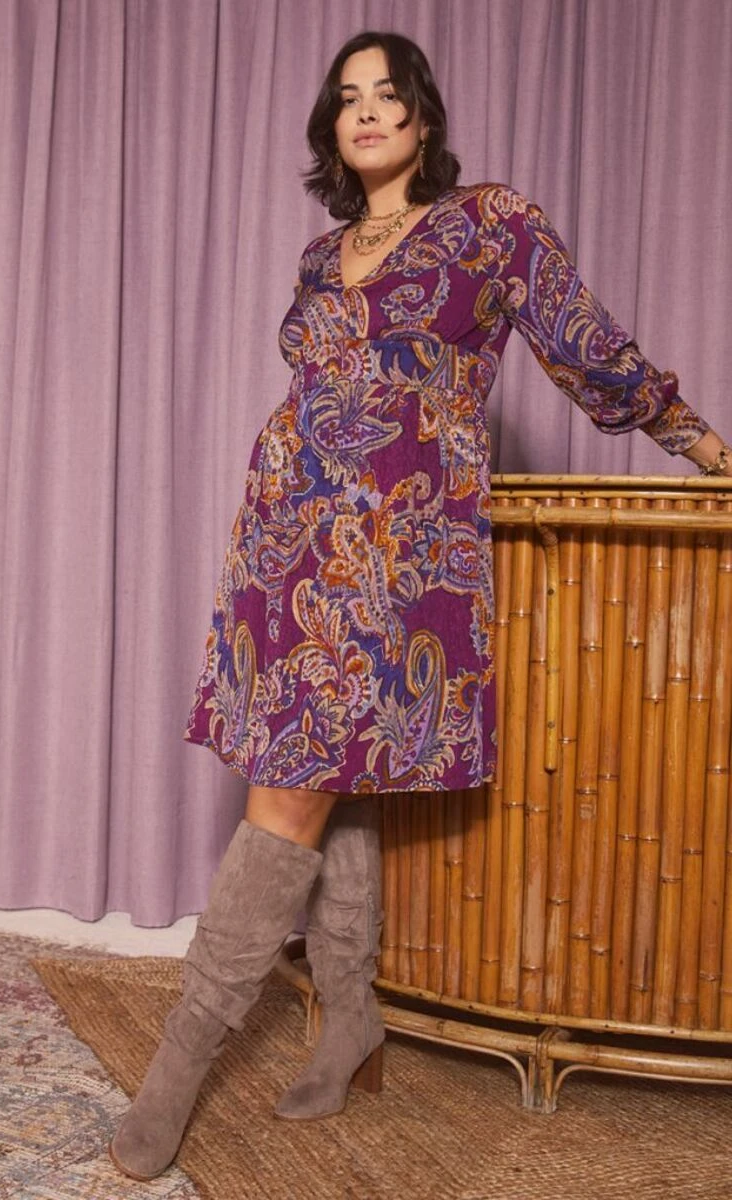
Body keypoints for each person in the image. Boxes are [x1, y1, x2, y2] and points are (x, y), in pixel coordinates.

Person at [109, 29, 732, 1182]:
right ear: (331, 127)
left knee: (291, 787)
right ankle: (351, 1018)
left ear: (423, 117)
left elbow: (583, 345)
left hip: (398, 545)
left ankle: (176, 1069)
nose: (365, 111)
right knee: (327, 775)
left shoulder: (489, 223)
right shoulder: (320, 254)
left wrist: (697, 443)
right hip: (288, 539)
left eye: (386, 94)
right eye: (346, 97)